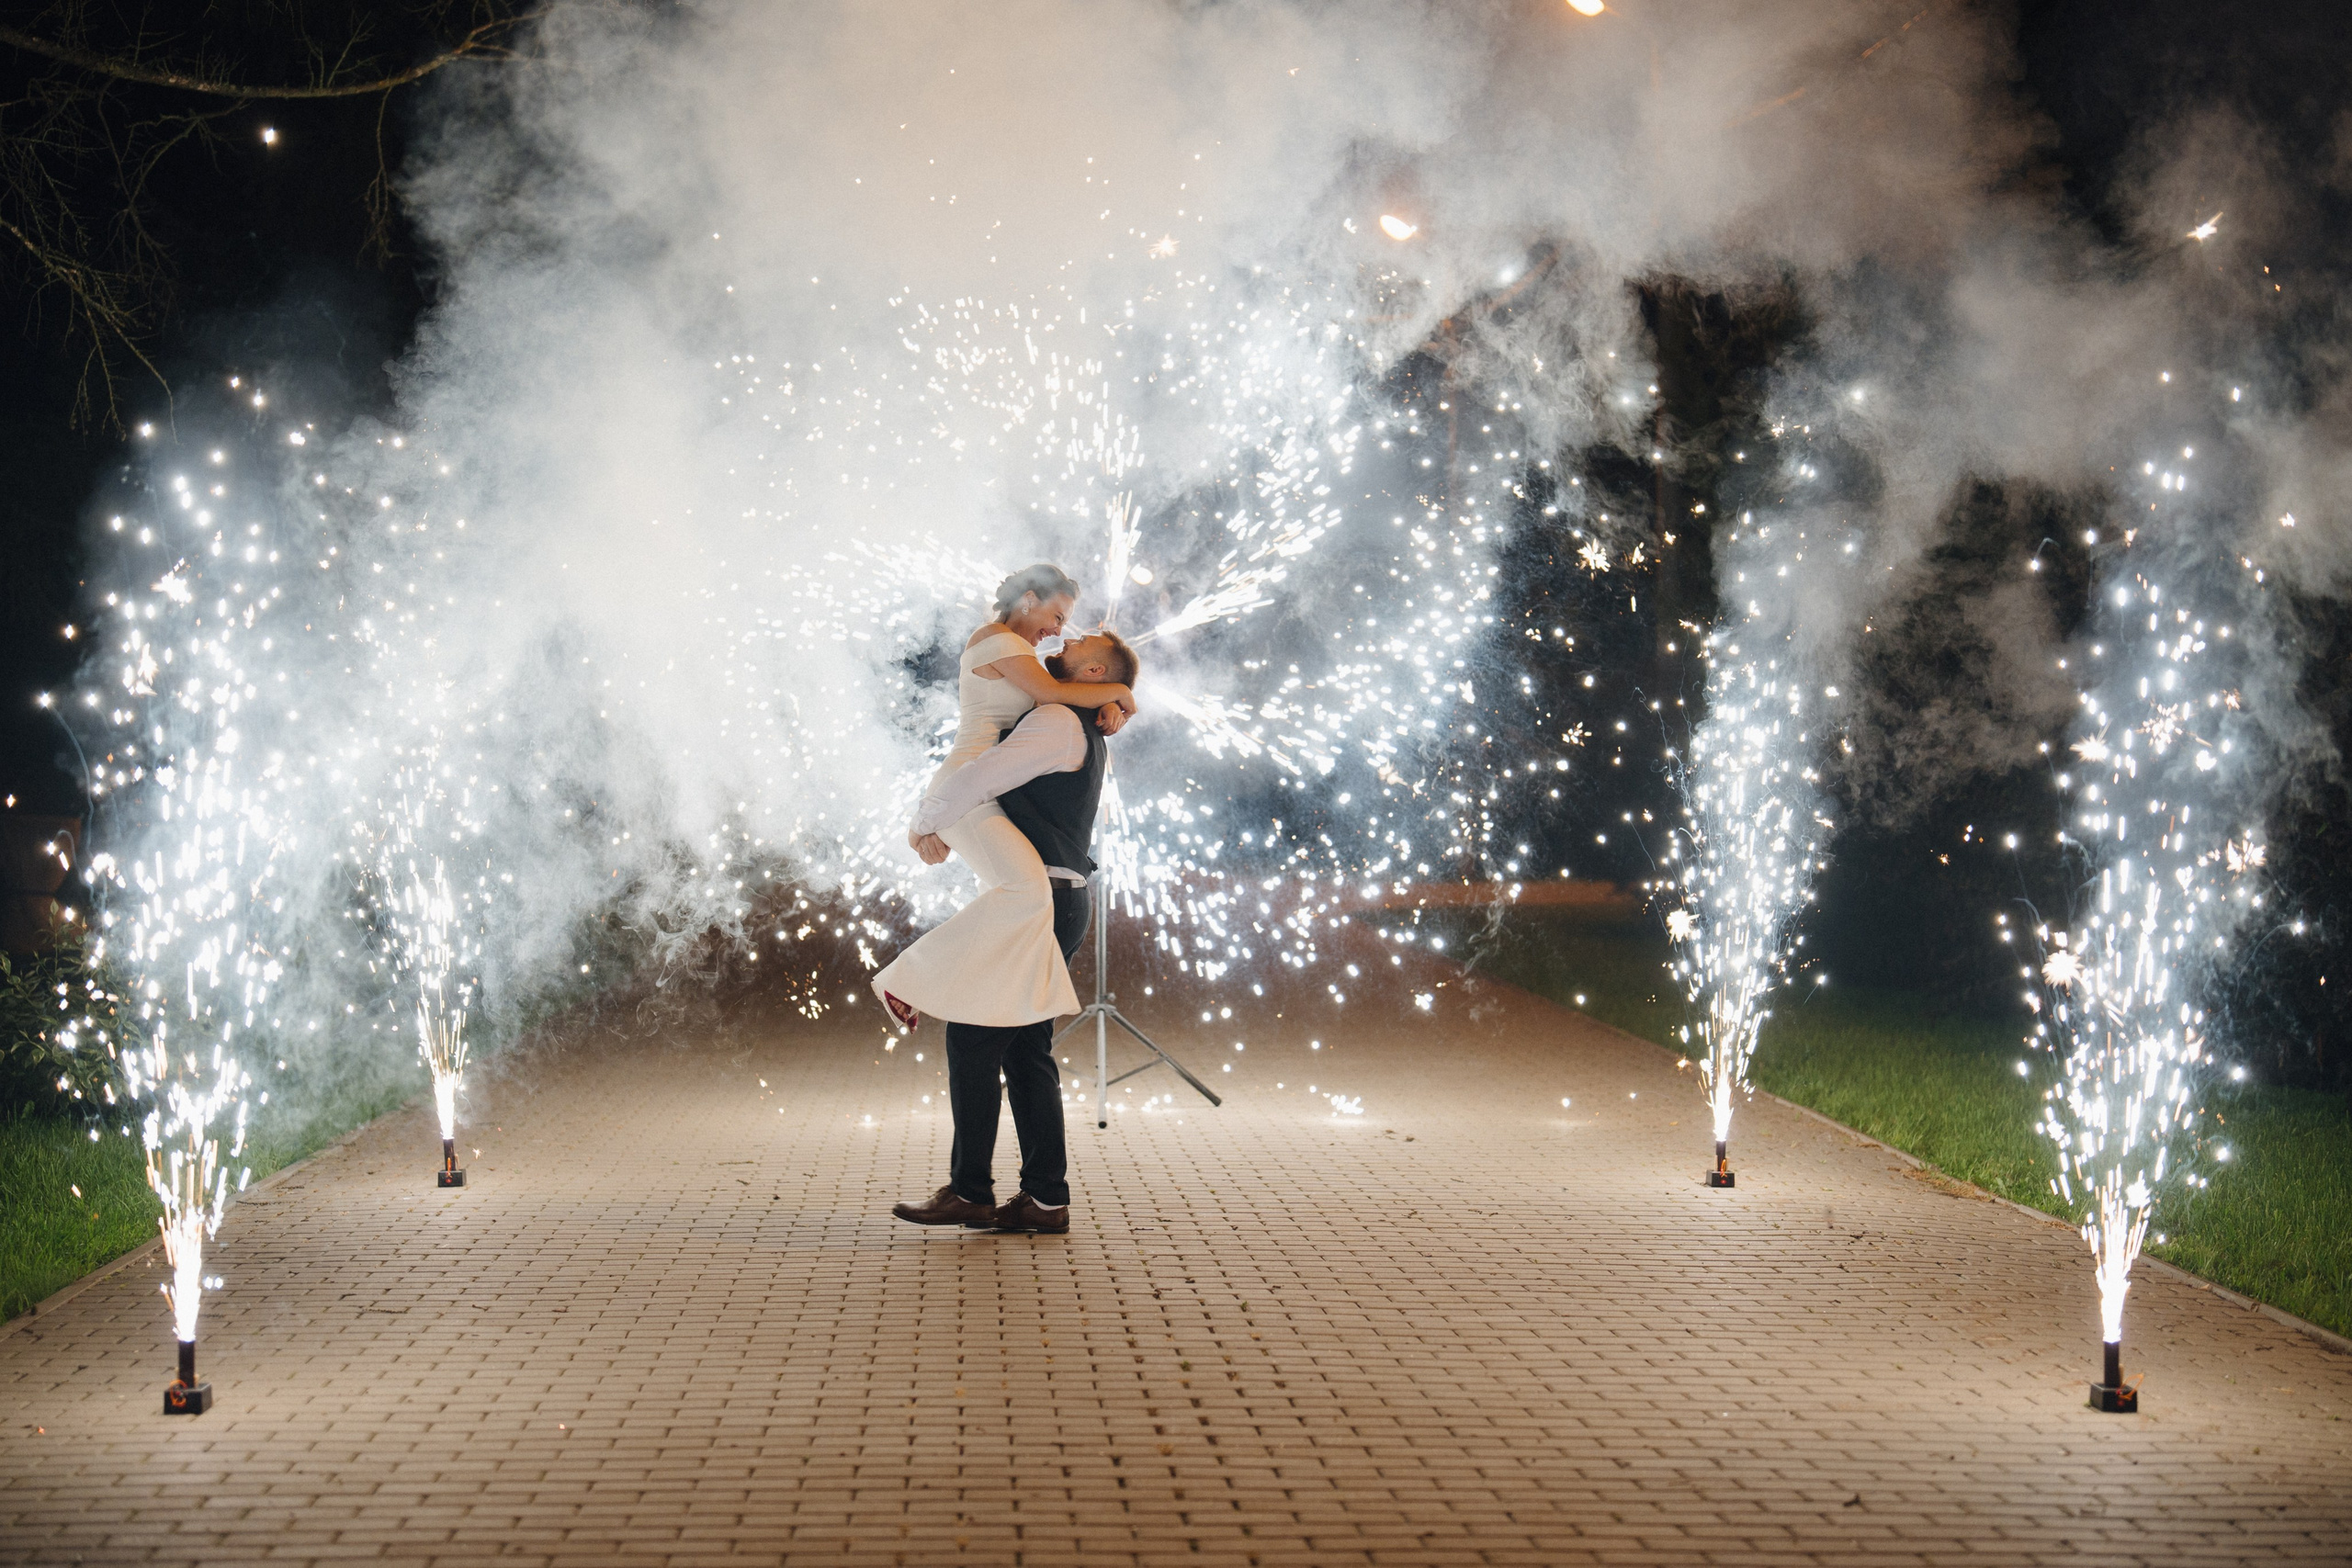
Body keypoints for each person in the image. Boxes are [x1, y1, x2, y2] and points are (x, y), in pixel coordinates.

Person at [886, 626, 1136, 1235]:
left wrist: (927, 823)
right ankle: (1046, 1200)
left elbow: (986, 774)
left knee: (973, 1037)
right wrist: (1126, 697)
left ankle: (972, 1190)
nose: (1068, 638)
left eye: (1084, 644)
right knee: (1027, 1050)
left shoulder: (1055, 719)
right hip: (1064, 896)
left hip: (1041, 897)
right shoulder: (1073, 717)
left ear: (1095, 674)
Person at [869, 565, 1134, 1033]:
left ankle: (993, 1002)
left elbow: (1063, 700)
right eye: (1056, 615)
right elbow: (1056, 693)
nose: (1058, 631)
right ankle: (906, 981)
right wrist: (1120, 693)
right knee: (1026, 889)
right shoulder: (996, 639)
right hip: (964, 789)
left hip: (984, 792)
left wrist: (1109, 704)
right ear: (1028, 599)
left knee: (1013, 894)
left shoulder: (1023, 656)